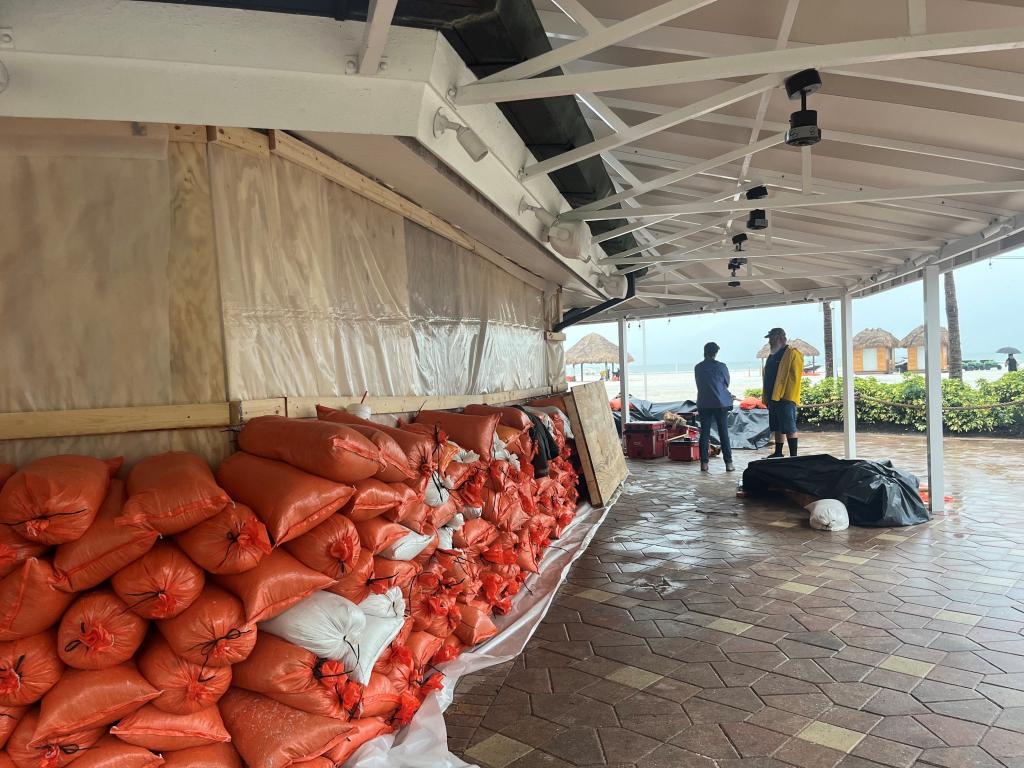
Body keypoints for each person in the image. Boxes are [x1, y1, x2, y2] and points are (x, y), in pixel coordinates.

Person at [762, 327, 804, 458]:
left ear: (780, 338)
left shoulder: (792, 352)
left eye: (771, 338)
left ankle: (793, 456)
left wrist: (787, 395)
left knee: (789, 426)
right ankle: (778, 452)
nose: (769, 341)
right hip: (772, 397)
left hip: (786, 397)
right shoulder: (772, 355)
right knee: (776, 426)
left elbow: (795, 376)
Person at [694, 342, 734, 472]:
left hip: (704, 403)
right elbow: (726, 383)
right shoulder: (722, 366)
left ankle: (704, 464)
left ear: (704, 352)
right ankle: (728, 463)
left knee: (704, 433)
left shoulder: (698, 367)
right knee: (723, 433)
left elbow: (699, 383)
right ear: (715, 353)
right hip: (720, 404)